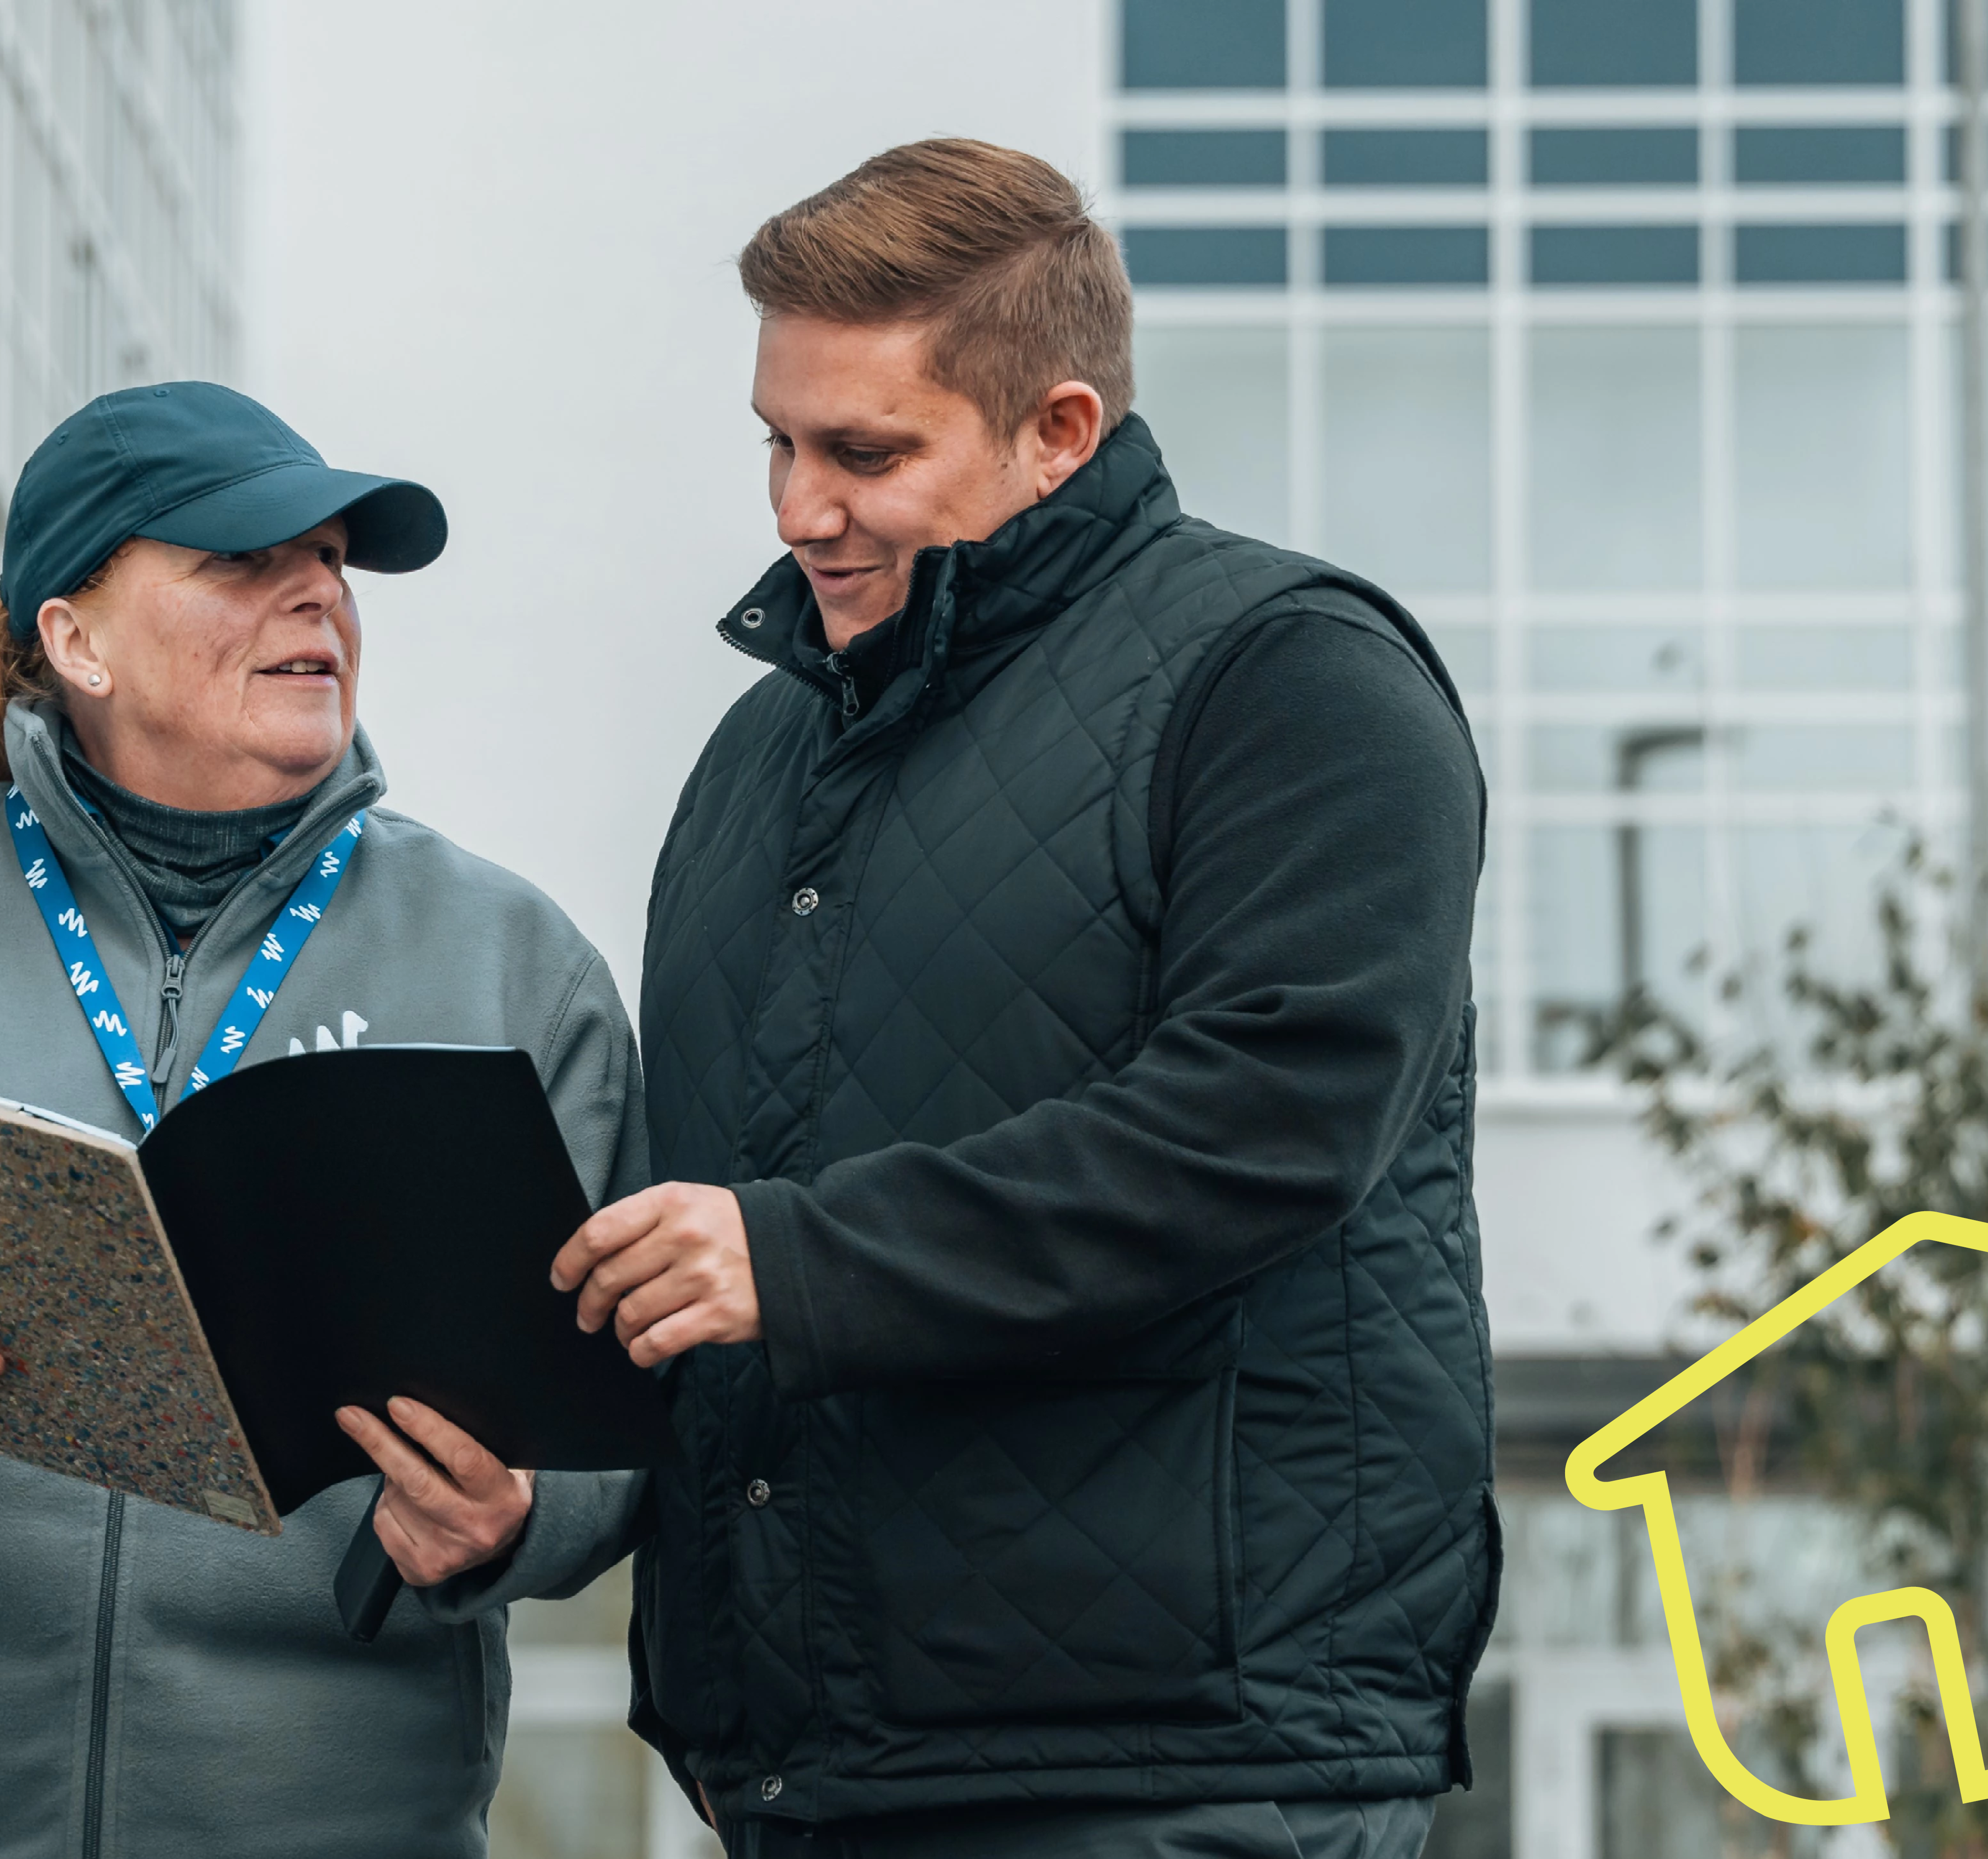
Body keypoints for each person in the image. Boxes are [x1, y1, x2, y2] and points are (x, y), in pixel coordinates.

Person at [551, 141, 1495, 1859]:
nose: (795, 508)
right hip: (809, 1769)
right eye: (777, 439)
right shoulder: (767, 751)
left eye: (864, 452)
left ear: (1059, 430)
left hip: (1169, 1767)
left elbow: (1266, 1123)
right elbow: (700, 1217)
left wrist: (799, 1257)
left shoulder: (1289, 678)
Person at [0, 381, 647, 1857]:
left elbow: (635, 1390)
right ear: (74, 639)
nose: (316, 598)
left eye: (332, 561)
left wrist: (522, 1518)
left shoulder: (513, 966)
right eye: (242, 562)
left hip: (341, 1820)